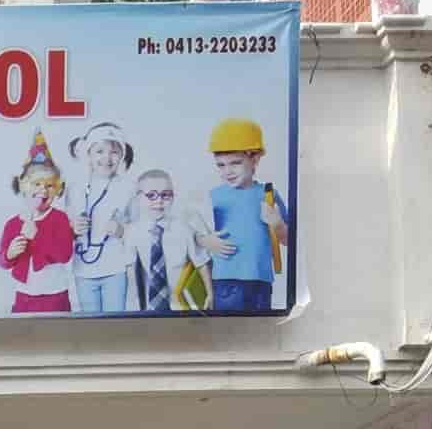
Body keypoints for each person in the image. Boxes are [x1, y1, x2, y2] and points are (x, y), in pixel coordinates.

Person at [205, 118, 288, 313]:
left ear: (255, 159)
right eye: (221, 165)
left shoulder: (269, 194)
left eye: (235, 163)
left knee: (259, 328)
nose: (227, 171)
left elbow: (287, 240)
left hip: (261, 281)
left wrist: (277, 225)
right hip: (225, 280)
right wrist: (206, 241)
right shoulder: (213, 196)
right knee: (229, 329)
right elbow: (192, 236)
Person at [0, 133, 74, 314]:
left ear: (57, 189)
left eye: (49, 185)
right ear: (23, 187)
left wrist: (37, 236)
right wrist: (9, 254)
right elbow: (2, 260)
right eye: (36, 184)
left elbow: (64, 255)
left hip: (55, 295)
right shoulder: (13, 224)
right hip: (24, 295)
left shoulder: (60, 218)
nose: (43, 190)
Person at [66, 122, 136, 315]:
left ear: (122, 155)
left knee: (114, 321)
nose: (107, 158)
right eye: (99, 151)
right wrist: (73, 229)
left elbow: (139, 228)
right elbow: (61, 228)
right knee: (89, 323)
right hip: (83, 268)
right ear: (88, 154)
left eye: (114, 152)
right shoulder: (74, 188)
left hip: (115, 268)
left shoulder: (128, 188)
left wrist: (122, 230)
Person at [128, 170, 212, 314]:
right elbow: (132, 272)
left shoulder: (184, 229)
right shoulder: (133, 232)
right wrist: (135, 305)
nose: (159, 201)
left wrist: (210, 293)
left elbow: (201, 262)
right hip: (149, 307)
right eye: (151, 195)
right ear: (138, 198)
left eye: (165, 195)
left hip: (181, 306)